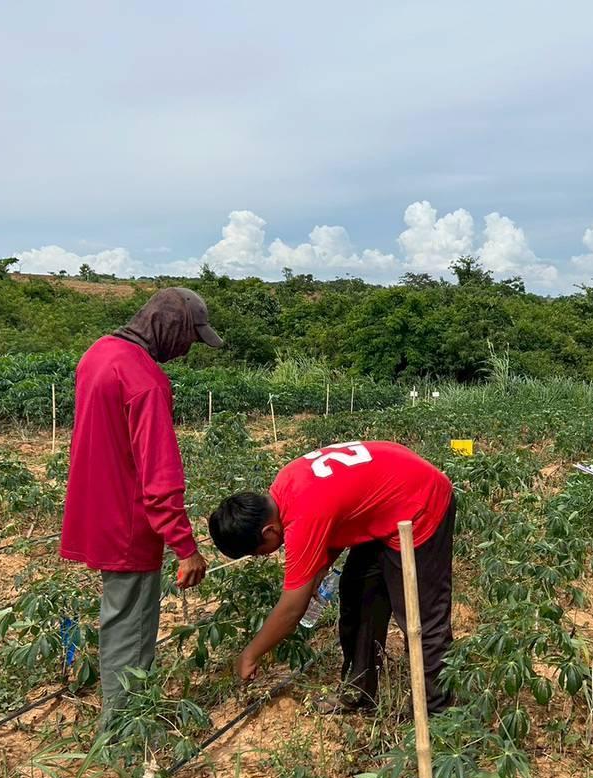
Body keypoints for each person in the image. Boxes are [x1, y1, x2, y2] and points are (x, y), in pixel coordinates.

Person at [60, 287, 222, 716]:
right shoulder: (145, 380)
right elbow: (159, 475)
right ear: (171, 327)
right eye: (190, 338)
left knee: (117, 617)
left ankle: (120, 719)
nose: (186, 350)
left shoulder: (98, 354)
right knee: (130, 632)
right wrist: (185, 547)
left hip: (97, 511)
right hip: (129, 523)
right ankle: (122, 731)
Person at [208, 440, 456, 713]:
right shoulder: (285, 483)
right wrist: (320, 566)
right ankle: (358, 693)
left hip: (421, 502)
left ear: (269, 532)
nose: (262, 557)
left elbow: (291, 610)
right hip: (388, 499)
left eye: (258, 553)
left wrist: (250, 654)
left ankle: (438, 712)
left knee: (422, 617)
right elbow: (340, 510)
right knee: (358, 598)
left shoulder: (301, 516)